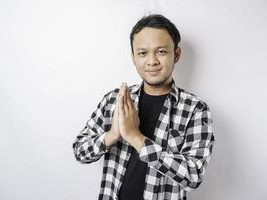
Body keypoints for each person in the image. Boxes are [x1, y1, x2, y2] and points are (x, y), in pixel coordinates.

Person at [72, 14, 215, 200]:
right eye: (142, 53)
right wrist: (112, 135)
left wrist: (135, 137)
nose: (152, 61)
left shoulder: (195, 110)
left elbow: (193, 175)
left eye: (161, 51)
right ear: (133, 57)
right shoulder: (114, 100)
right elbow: (80, 151)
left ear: (176, 54)